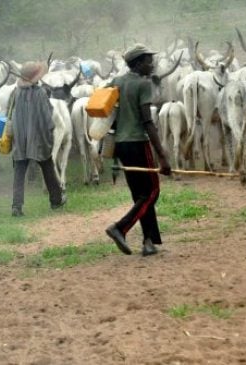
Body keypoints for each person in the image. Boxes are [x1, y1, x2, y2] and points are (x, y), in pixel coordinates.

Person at [104, 44, 172, 256]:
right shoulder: (144, 84)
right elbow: (147, 121)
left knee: (140, 195)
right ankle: (120, 228)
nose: (152, 64)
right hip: (138, 143)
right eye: (148, 60)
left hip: (121, 145)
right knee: (152, 191)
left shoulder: (117, 81)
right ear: (139, 62)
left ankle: (148, 242)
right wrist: (162, 156)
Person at [9, 61, 66, 217]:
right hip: (38, 139)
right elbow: (48, 117)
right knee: (48, 168)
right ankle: (56, 200)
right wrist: (50, 132)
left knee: (19, 173)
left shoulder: (15, 92)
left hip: (20, 139)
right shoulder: (40, 93)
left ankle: (16, 206)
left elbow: (10, 114)